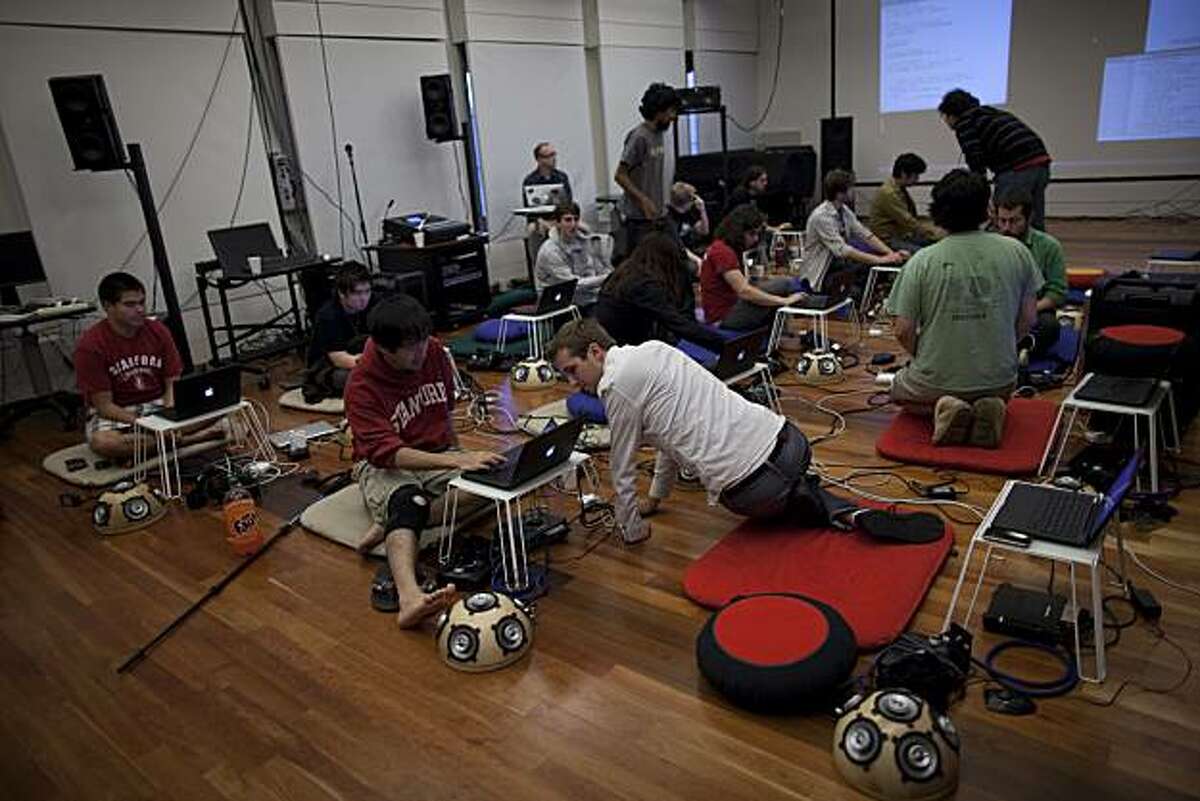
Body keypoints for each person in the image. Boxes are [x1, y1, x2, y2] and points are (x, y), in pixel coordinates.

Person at [549, 318, 855, 544]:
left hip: (754, 492)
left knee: (760, 493)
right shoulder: (654, 349)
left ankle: (795, 498)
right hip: (793, 445)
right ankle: (802, 495)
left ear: (595, 352)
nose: (573, 384)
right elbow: (668, 435)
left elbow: (622, 466)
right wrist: (655, 499)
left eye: (572, 370)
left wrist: (632, 530)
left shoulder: (615, 384)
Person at [346, 295, 504, 628]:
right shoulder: (361, 385)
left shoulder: (432, 350)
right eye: (411, 348)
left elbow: (444, 413)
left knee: (494, 480)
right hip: (385, 463)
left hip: (435, 453)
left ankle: (394, 523)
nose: (421, 352)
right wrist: (454, 465)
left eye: (422, 342)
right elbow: (388, 453)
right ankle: (409, 598)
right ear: (385, 349)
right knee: (408, 500)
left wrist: (462, 456)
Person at [886, 170, 1041, 448]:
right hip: (1001, 381)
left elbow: (903, 330)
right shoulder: (1018, 252)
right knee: (990, 388)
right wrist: (999, 343)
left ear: (938, 211)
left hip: (935, 381)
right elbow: (1029, 318)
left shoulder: (922, 261)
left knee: (897, 390)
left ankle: (949, 407)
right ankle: (988, 407)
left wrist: (925, 355)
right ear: (988, 209)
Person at [74, 272, 223, 459]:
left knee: (225, 404)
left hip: (159, 403)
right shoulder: (90, 345)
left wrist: (170, 418)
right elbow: (104, 406)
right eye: (129, 304)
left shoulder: (158, 330)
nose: (139, 310)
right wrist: (147, 425)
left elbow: (172, 384)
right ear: (107, 306)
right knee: (104, 443)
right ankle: (188, 440)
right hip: (120, 412)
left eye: (141, 302)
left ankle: (159, 443)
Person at [938, 88, 1051, 230]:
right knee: (1032, 220)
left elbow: (976, 160)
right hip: (1041, 164)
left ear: (951, 115)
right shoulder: (992, 114)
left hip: (1017, 168)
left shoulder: (965, 124)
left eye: (944, 116)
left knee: (1005, 222)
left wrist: (980, 194)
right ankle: (1036, 251)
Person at [595, 232, 727, 353]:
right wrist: (724, 343)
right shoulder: (644, 285)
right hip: (625, 346)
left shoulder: (624, 273)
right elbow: (677, 323)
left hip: (612, 339)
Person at [700, 203, 806, 332]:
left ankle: (785, 330)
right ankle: (809, 308)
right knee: (781, 290)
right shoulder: (723, 252)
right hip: (724, 317)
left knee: (783, 283)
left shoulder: (723, 247)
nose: (755, 239)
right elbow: (744, 291)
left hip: (729, 307)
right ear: (738, 232)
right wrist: (783, 301)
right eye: (752, 234)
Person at [800, 169, 905, 297]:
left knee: (875, 269)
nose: (853, 191)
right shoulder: (821, 217)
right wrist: (880, 260)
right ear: (840, 193)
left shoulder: (843, 210)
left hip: (838, 265)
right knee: (865, 276)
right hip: (820, 274)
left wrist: (891, 254)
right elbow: (843, 250)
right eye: (851, 188)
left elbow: (865, 234)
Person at [995, 188, 1066, 358]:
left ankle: (1008, 350)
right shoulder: (990, 243)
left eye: (1014, 221)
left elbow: (1057, 293)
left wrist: (1026, 311)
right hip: (996, 309)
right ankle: (1019, 349)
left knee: (1049, 326)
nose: (1007, 227)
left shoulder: (1049, 246)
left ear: (1029, 218)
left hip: (1033, 309)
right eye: (1002, 221)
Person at [614, 83, 680, 258]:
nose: (674, 117)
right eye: (670, 112)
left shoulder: (660, 134)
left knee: (679, 260)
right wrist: (643, 200)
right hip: (639, 220)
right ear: (658, 111)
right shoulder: (639, 137)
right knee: (644, 268)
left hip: (660, 214)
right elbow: (620, 175)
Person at [304, 262, 372, 401]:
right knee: (351, 379)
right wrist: (373, 364)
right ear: (342, 293)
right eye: (357, 293)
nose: (364, 298)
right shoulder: (328, 315)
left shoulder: (373, 304)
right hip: (329, 365)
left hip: (361, 357)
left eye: (367, 291)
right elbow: (339, 358)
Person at [534, 201, 613, 313]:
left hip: (584, 297)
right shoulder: (550, 251)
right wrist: (605, 278)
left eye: (576, 219)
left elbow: (594, 269)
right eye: (568, 220)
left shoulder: (583, 241)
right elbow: (573, 285)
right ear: (557, 223)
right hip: (557, 303)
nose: (573, 224)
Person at [869, 153, 943, 251]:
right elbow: (907, 221)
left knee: (935, 244)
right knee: (924, 253)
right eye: (916, 175)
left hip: (901, 236)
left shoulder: (898, 188)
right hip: (888, 240)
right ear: (904, 173)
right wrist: (934, 232)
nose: (917, 179)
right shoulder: (889, 193)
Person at [521, 141, 573, 206]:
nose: (553, 159)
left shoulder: (562, 177)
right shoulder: (530, 180)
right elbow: (527, 205)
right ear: (539, 159)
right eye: (549, 156)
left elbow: (568, 200)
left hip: (560, 213)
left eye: (554, 155)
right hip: (539, 214)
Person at [667, 181, 710, 254]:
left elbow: (704, 231)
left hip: (690, 252)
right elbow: (678, 246)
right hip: (676, 256)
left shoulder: (689, 214)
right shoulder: (669, 219)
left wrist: (702, 210)